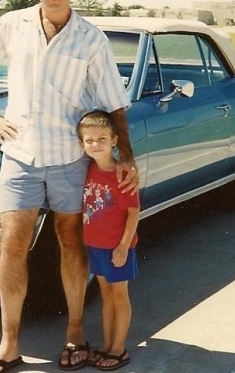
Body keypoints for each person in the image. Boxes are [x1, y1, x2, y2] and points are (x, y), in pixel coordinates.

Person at [0, 0, 140, 373]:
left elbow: (114, 104)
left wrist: (126, 158)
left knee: (71, 241)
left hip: (68, 158)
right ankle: (8, 344)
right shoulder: (11, 25)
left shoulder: (91, 39)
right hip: (20, 156)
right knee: (13, 244)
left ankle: (76, 333)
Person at [78, 110, 139, 371]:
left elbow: (133, 212)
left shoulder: (121, 175)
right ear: (82, 144)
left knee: (119, 297)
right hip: (96, 246)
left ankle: (119, 348)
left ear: (114, 140)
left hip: (117, 248)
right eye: (89, 140)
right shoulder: (89, 168)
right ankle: (106, 344)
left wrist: (123, 246)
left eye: (102, 139)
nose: (95, 145)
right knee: (105, 296)